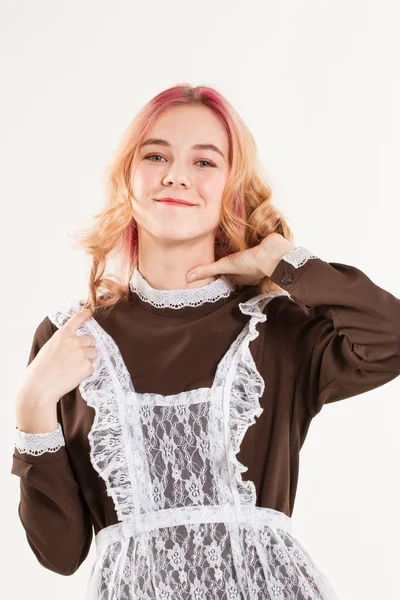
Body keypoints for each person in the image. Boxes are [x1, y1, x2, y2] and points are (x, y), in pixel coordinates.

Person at [11, 83, 400, 599]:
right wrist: (31, 407)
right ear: (128, 176)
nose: (176, 175)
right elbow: (59, 555)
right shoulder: (67, 338)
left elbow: (390, 338)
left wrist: (283, 262)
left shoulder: (275, 327)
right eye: (156, 155)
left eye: (205, 162)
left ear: (232, 188)